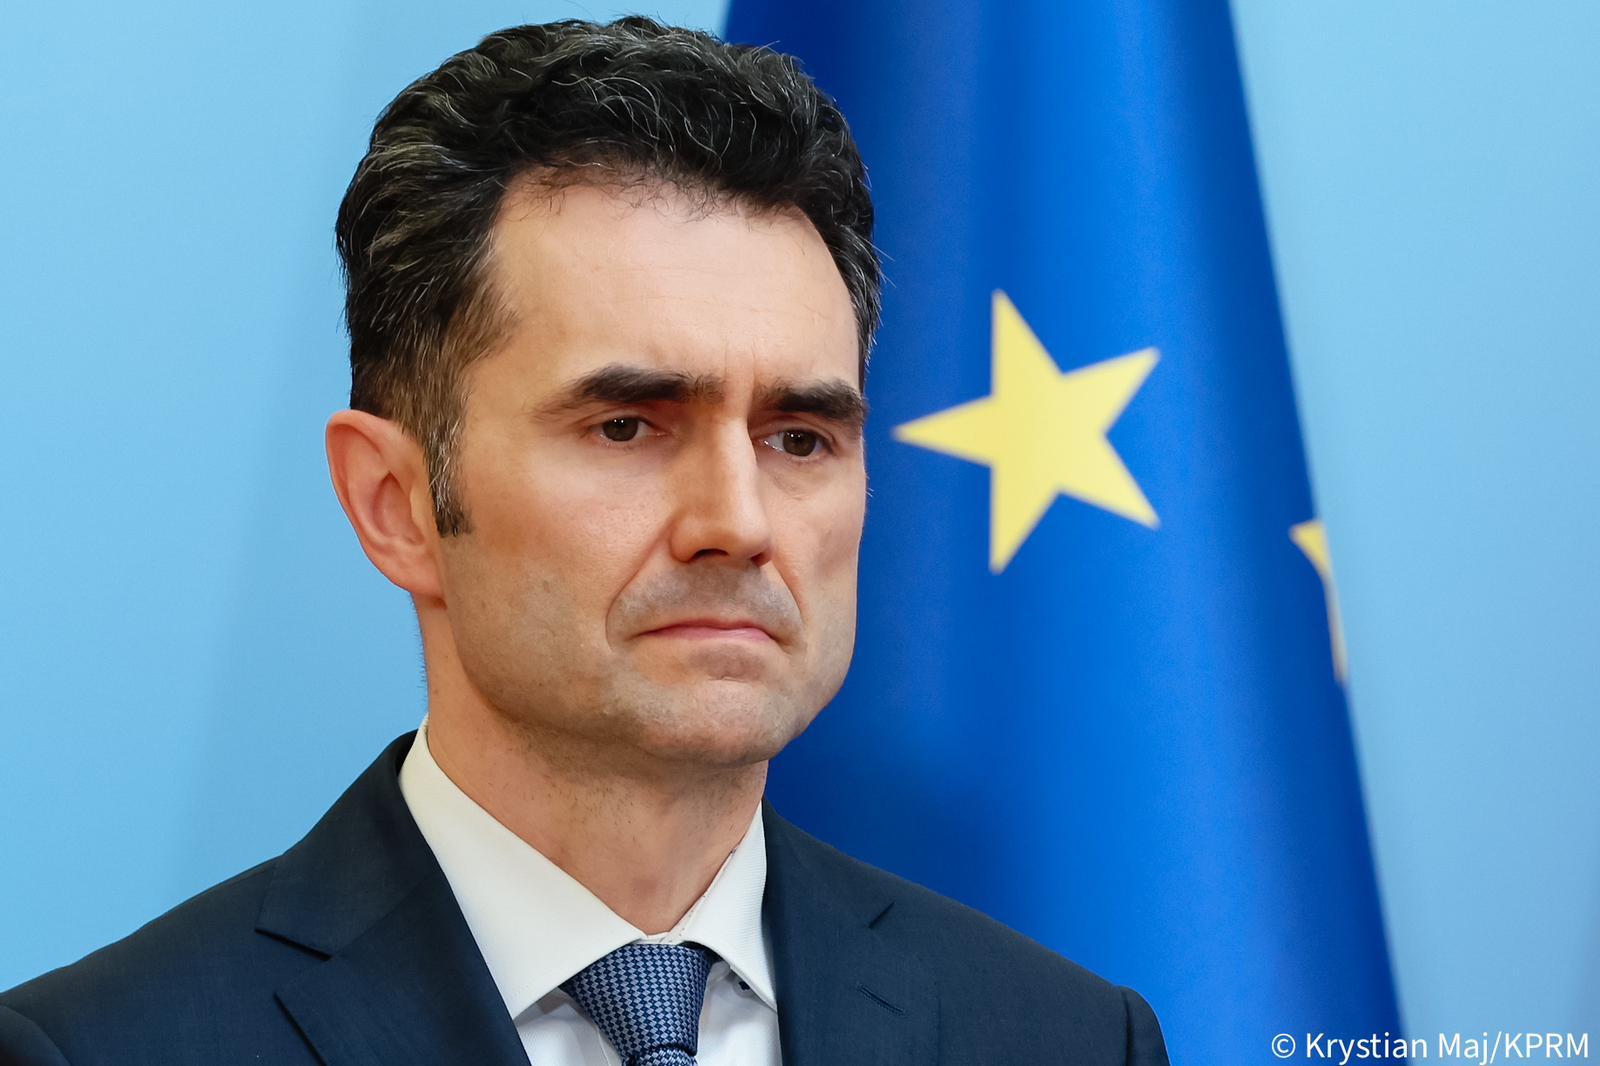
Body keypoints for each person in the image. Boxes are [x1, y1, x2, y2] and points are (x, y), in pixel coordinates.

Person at [0, 17, 1169, 1065]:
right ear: (395, 503)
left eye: (798, 437)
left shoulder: (1063, 1038)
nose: (737, 522)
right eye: (626, 425)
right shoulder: (106, 1048)